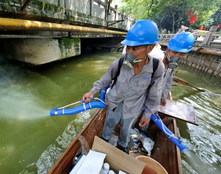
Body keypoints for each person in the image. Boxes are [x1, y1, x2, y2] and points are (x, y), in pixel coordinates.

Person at [82, 20, 165, 154]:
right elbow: (105, 79)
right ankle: (105, 139)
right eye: (128, 47)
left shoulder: (156, 68)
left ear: (149, 48)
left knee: (126, 129)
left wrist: (148, 114)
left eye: (134, 48)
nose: (129, 52)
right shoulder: (119, 63)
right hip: (114, 103)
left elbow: (155, 92)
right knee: (109, 124)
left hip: (133, 107)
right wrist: (92, 91)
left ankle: (122, 145)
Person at [159, 32, 195, 106]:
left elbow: (167, 84)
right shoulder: (157, 61)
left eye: (181, 54)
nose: (177, 56)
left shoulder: (170, 67)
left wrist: (163, 97)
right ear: (167, 49)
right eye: (175, 52)